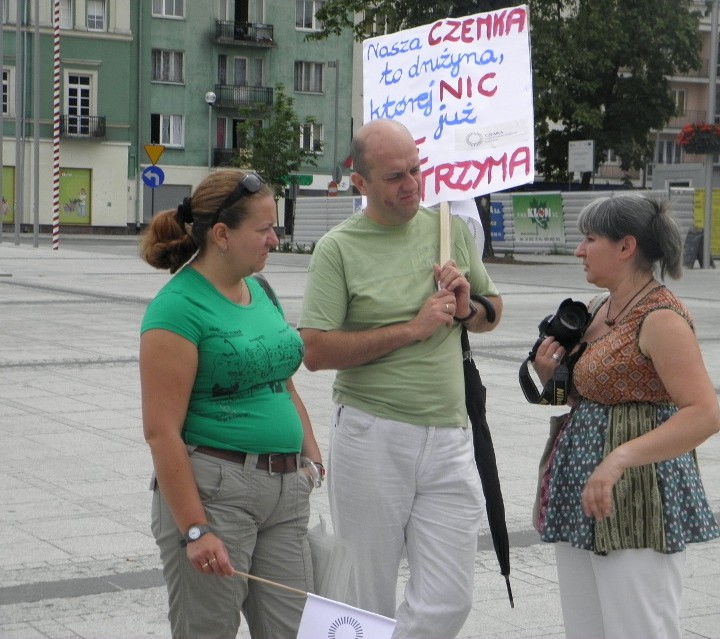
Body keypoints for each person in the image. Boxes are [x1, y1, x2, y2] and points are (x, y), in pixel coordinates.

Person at [298, 119, 503, 639]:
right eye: (394, 176)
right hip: (372, 432)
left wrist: (464, 308)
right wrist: (410, 330)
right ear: (360, 182)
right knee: (360, 596)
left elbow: (492, 309)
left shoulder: (447, 230)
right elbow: (316, 350)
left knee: (450, 599)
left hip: (450, 435)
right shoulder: (337, 249)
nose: (412, 183)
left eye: (416, 169)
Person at [138, 169, 323, 639]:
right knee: (208, 631)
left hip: (285, 492)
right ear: (221, 234)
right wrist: (195, 529)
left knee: (294, 631)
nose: (274, 240)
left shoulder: (260, 290)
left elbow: (280, 379)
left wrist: (312, 455)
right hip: (216, 495)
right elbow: (162, 432)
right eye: (263, 230)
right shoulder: (176, 310)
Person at [532, 193, 720, 639]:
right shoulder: (601, 310)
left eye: (589, 238)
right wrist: (552, 378)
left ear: (625, 247)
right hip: (584, 495)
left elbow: (704, 414)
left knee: (640, 629)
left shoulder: (660, 318)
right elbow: (597, 394)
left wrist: (618, 459)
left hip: (637, 499)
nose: (579, 249)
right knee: (586, 630)